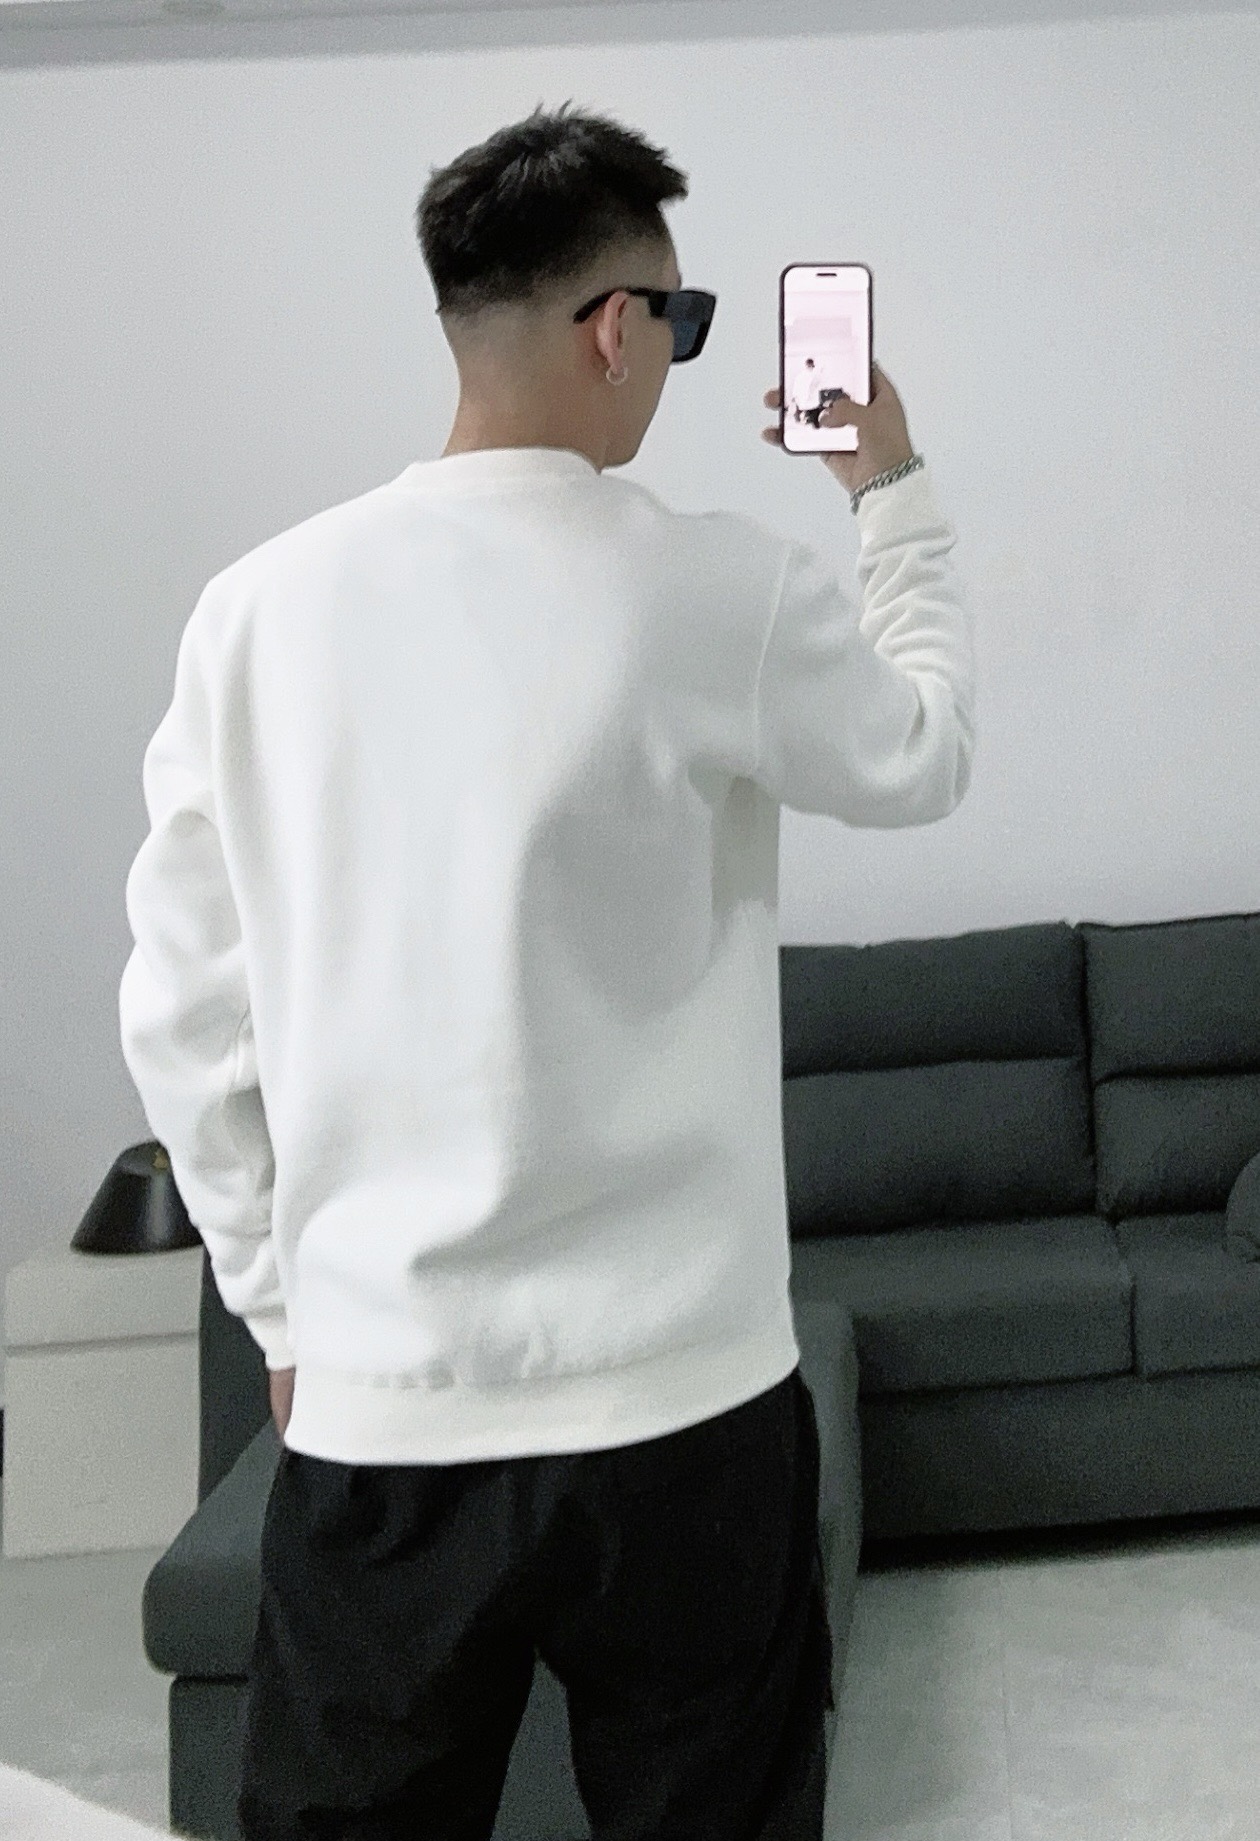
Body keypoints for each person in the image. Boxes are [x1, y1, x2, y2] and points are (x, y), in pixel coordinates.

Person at [119, 101, 974, 1841]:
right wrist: (888, 486)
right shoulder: (714, 590)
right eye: (685, 317)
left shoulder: (255, 614)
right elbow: (925, 752)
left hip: (386, 1409)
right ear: (615, 330)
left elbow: (184, 1010)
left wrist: (278, 1307)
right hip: (688, 1404)